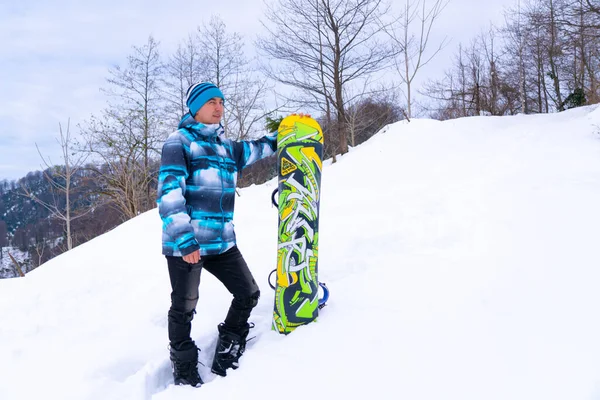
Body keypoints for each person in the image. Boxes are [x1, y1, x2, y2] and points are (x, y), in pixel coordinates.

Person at [156, 82, 277, 386]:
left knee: (248, 293)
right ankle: (183, 364)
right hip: (188, 243)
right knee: (184, 306)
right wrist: (184, 240)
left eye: (221, 102)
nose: (218, 107)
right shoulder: (179, 142)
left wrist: (288, 131)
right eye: (211, 101)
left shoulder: (226, 147)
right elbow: (169, 194)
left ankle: (228, 345)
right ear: (194, 107)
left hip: (222, 242)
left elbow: (259, 147)